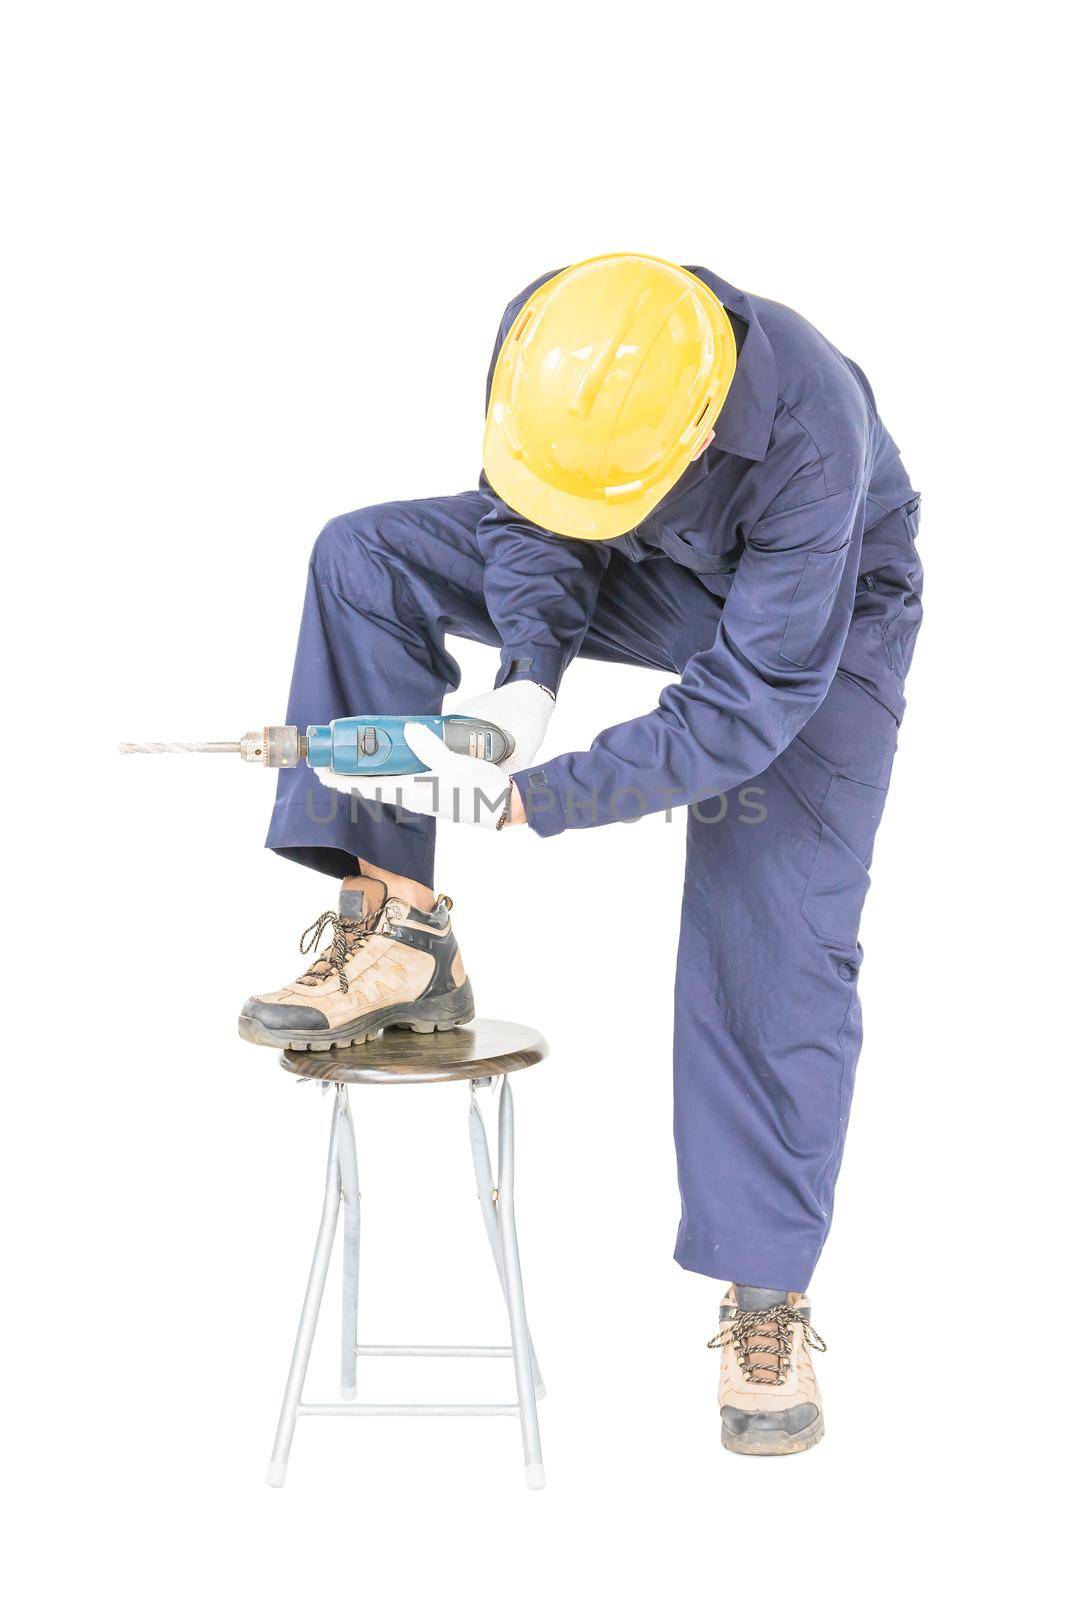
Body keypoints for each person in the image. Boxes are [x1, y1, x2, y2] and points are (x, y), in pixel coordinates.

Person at [240, 254, 923, 1455]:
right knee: (365, 555)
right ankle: (402, 935)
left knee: (773, 925)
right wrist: (525, 682)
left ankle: (765, 1297)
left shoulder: (811, 433)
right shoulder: (553, 342)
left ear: (703, 425)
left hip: (817, 610)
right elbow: (534, 514)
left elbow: (747, 701)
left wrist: (530, 797)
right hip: (641, 560)